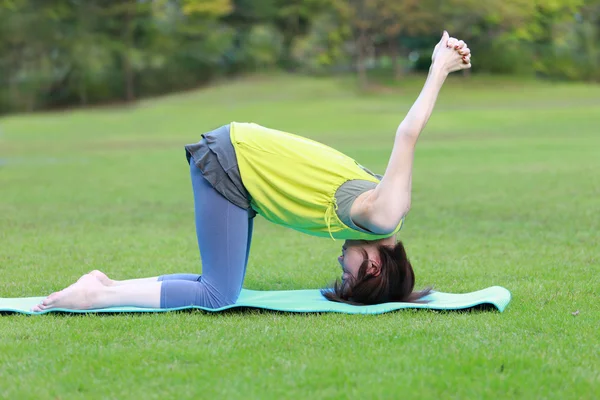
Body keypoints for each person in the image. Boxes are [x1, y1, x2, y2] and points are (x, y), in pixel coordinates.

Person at [32, 31, 471, 312]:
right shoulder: (384, 215)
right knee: (219, 295)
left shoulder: (385, 218)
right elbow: (407, 134)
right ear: (374, 266)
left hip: (242, 169)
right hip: (233, 164)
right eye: (349, 271)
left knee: (220, 284)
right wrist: (439, 69)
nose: (340, 260)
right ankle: (96, 296)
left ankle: (104, 284)